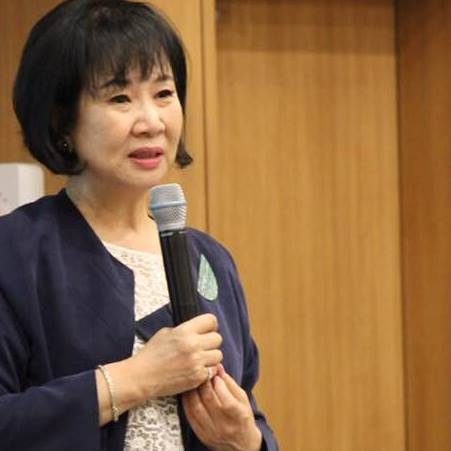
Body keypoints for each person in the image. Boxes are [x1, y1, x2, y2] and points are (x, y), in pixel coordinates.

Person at [0, 1, 278, 450]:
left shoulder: (211, 260)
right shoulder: (16, 252)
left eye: (164, 93)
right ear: (61, 121)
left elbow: (250, 408)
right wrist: (137, 377)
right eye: (120, 98)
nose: (151, 122)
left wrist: (246, 439)